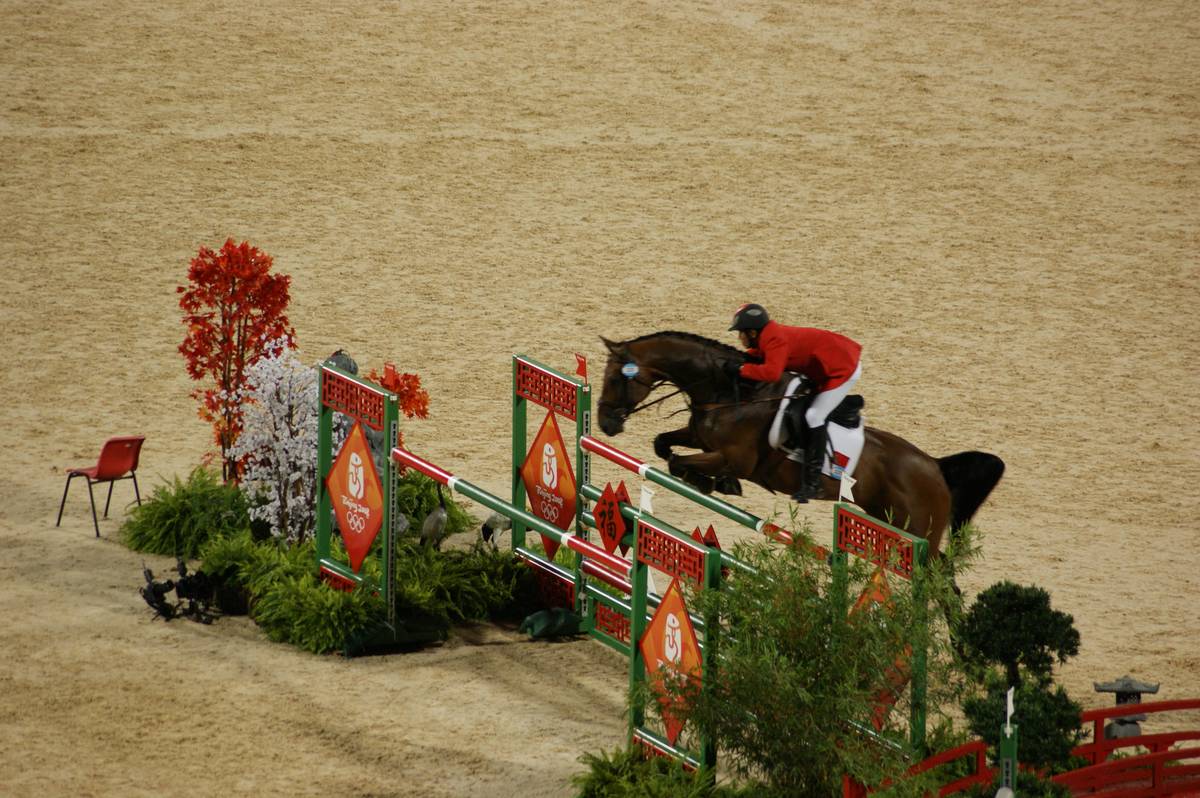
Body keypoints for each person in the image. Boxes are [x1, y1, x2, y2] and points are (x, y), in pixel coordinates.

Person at [724, 303, 862, 503]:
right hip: (826, 364)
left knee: (814, 416)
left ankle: (813, 483)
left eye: (741, 333)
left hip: (842, 368)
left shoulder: (774, 339)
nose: (739, 337)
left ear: (752, 332)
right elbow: (759, 356)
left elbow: (772, 373)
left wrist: (741, 370)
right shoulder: (766, 337)